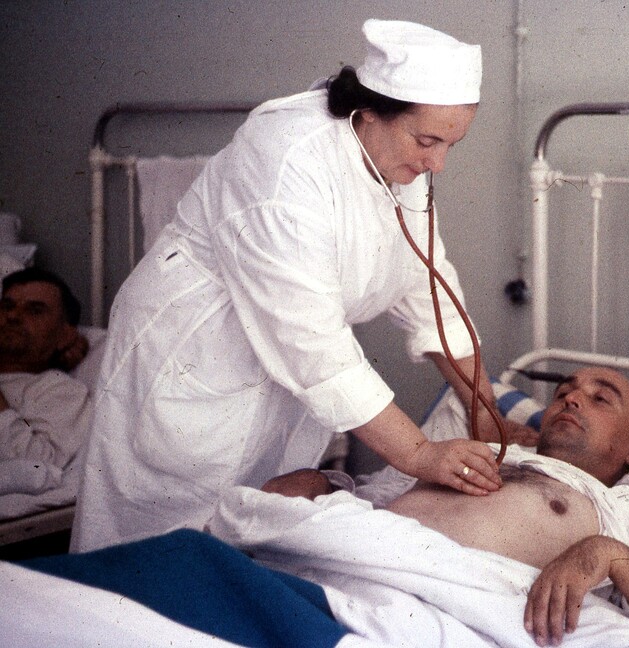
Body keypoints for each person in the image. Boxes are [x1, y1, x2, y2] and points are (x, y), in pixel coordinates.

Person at [71, 19, 533, 553]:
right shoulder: (285, 162)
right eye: (427, 141)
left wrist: (483, 408)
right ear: (370, 111)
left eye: (451, 144)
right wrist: (419, 454)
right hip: (195, 352)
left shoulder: (398, 159)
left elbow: (429, 288)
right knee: (158, 547)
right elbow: (316, 350)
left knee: (253, 536)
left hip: (277, 367)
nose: (437, 164)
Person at [263, 366, 629, 648]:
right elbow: (373, 499)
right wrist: (323, 486)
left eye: (600, 399)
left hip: (440, 611)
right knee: (193, 559)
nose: (573, 397)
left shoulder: (627, 506)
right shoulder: (470, 451)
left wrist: (605, 554)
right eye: (565, 392)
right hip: (353, 568)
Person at [0, 268, 91, 517]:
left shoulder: (59, 390)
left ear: (66, 335)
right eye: (6, 306)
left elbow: (37, 468)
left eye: (34, 310)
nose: (13, 316)